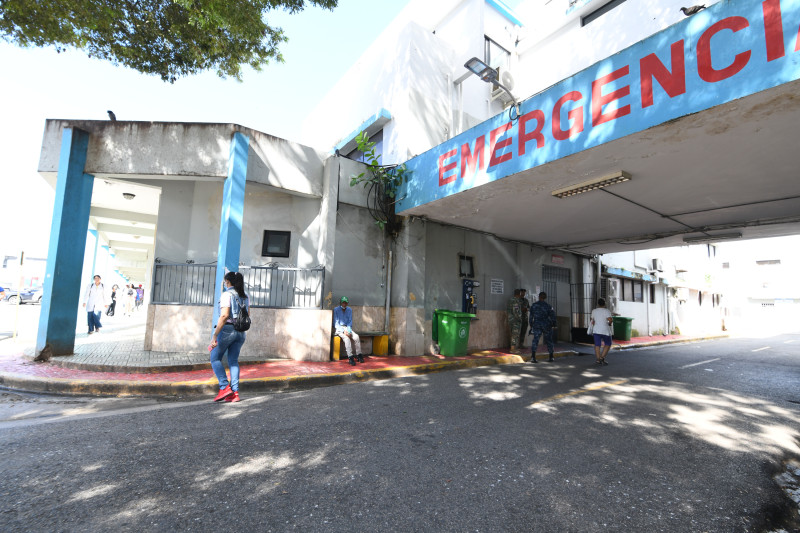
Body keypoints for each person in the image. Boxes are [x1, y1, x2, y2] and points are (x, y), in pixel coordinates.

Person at [210, 271, 249, 402]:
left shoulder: (227, 295)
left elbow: (224, 315)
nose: (225, 283)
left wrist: (215, 335)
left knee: (214, 358)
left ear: (229, 282)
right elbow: (247, 315)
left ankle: (224, 387)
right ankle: (235, 393)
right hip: (241, 332)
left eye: (226, 281)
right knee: (233, 361)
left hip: (227, 330)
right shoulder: (245, 296)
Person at [334, 296, 363, 365]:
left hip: (347, 327)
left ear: (347, 303)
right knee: (347, 339)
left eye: (345, 303)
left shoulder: (349, 310)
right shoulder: (336, 310)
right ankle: (350, 357)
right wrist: (343, 331)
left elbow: (350, 322)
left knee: (356, 337)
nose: (344, 304)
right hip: (339, 328)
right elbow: (335, 323)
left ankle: (359, 355)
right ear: (341, 303)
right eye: (343, 302)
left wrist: (349, 331)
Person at [529, 291, 556, 363]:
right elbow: (553, 316)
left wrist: (531, 325)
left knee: (535, 340)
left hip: (537, 325)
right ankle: (551, 356)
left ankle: (533, 357)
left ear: (539, 297)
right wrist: (553, 324)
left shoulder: (534, 305)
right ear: (545, 298)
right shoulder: (548, 306)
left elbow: (531, 317)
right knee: (549, 340)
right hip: (547, 325)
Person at [590, 298, 614, 366]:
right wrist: (609, 323)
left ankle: (598, 359)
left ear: (598, 304)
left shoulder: (594, 311)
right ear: (604, 303)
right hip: (605, 330)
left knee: (597, 345)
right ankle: (602, 357)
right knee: (608, 343)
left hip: (596, 330)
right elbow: (610, 320)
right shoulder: (607, 311)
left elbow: (591, 319)